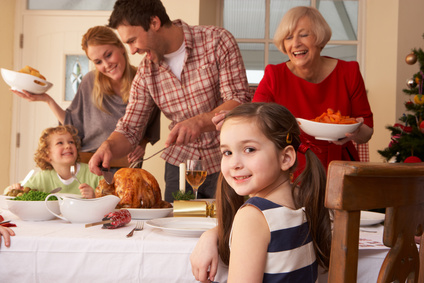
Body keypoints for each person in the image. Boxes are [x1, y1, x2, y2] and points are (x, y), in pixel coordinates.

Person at [89, 0, 251, 202]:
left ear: (154, 23)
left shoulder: (217, 41)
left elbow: (239, 101)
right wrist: (108, 147)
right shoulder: (146, 72)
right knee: (175, 229)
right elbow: (130, 129)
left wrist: (199, 122)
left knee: (227, 229)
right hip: (179, 167)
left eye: (132, 40)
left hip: (226, 160)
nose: (131, 51)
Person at [192, 102, 332, 282]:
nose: (235, 163)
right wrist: (212, 234)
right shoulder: (302, 197)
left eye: (249, 149)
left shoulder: (252, 216)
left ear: (286, 158)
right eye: (227, 152)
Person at [12, 25, 160, 167]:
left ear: (121, 47)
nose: (106, 64)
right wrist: (47, 100)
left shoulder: (144, 80)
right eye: (98, 62)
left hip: (127, 166)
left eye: (108, 55)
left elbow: (150, 125)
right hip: (89, 166)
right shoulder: (90, 82)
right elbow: (73, 127)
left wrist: (142, 144)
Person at [252, 6, 373, 176]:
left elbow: (367, 130)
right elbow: (253, 118)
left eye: (304, 35)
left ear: (319, 38)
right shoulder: (274, 75)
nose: (295, 44)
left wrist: (355, 132)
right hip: (292, 167)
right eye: (288, 37)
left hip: (341, 168)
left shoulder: (349, 72)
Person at [7, 125, 102, 199]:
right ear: (47, 155)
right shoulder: (42, 178)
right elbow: (10, 192)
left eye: (71, 142)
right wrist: (13, 189)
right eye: (60, 143)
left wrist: (95, 197)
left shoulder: (93, 173)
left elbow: (112, 199)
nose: (68, 146)